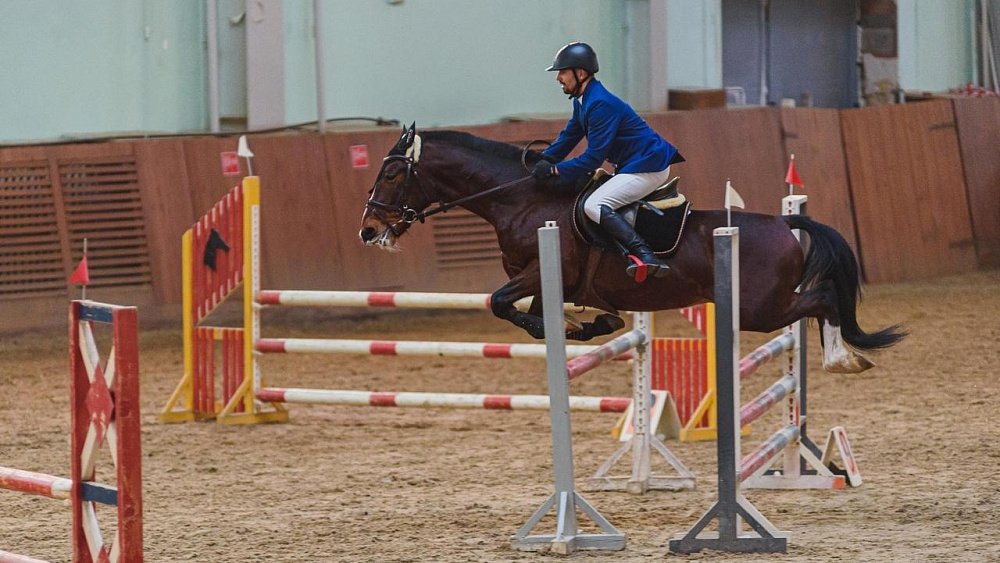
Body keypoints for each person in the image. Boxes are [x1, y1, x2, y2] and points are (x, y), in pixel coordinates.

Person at [532, 42, 684, 280]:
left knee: (593, 205)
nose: (558, 78)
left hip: (648, 167)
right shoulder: (583, 100)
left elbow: (592, 159)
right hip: (634, 165)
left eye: (562, 72)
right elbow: (570, 135)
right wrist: (543, 159)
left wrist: (553, 170)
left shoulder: (600, 104)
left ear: (580, 73)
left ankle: (645, 255)